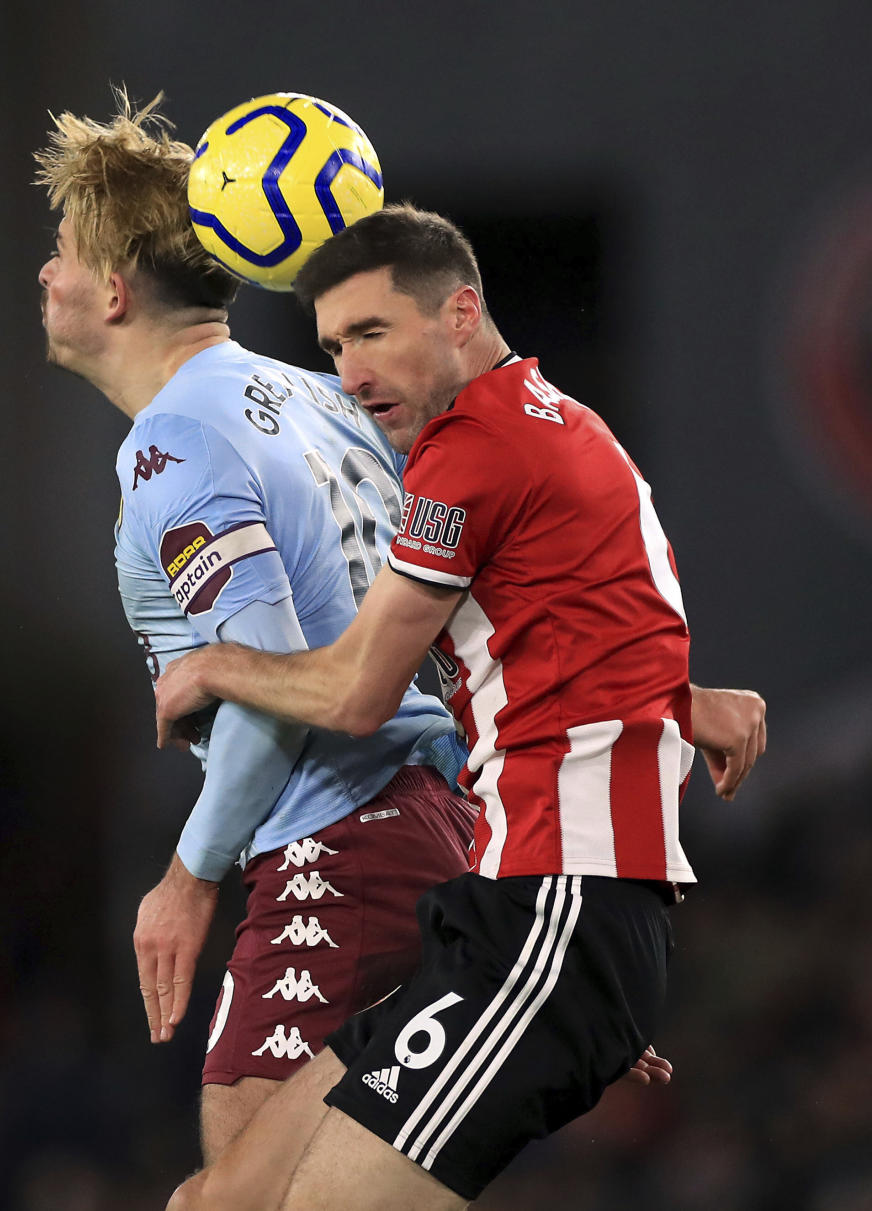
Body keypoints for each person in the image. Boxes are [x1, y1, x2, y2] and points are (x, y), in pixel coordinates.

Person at [155, 204, 767, 1209]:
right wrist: (692, 704)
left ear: (459, 313)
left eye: (372, 333)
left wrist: (218, 665)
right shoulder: (565, 425)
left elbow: (358, 692)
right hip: (520, 920)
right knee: (217, 1201)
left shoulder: (470, 454)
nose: (351, 372)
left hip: (555, 917)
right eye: (334, 345)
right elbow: (569, 639)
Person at [33, 96, 480, 1164]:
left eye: (61, 251)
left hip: (344, 844)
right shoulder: (323, 397)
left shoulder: (175, 440)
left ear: (114, 286)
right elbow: (465, 618)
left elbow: (279, 680)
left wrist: (188, 876)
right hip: (435, 827)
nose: (45, 275)